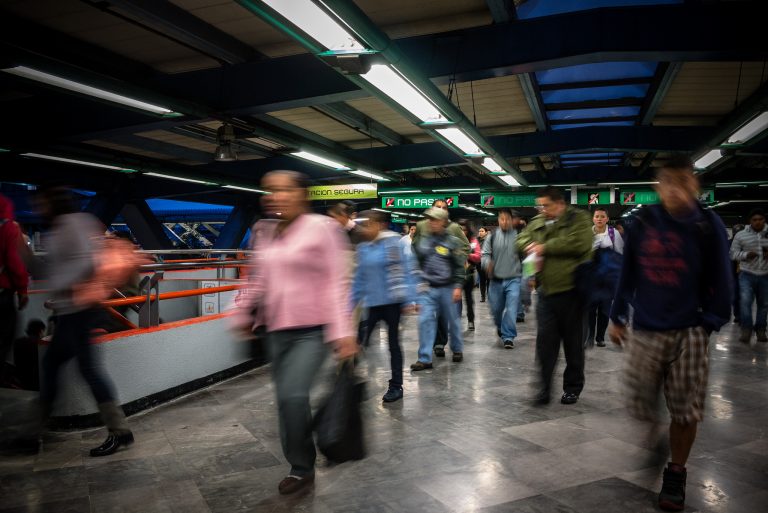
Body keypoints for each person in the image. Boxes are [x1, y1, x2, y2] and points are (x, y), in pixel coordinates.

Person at [608, 156, 732, 512]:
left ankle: (676, 472)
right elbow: (627, 270)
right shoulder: (643, 221)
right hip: (646, 328)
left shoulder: (707, 225)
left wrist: (710, 321)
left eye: (682, 181)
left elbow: (723, 277)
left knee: (685, 409)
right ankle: (653, 437)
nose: (674, 189)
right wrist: (616, 315)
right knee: (638, 401)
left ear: (694, 184)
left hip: (690, 331)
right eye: (667, 181)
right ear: (657, 186)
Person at [232, 170, 357, 495]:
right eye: (270, 190)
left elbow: (336, 281)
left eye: (284, 190)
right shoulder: (266, 230)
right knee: (287, 401)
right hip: (275, 330)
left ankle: (302, 467)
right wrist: (243, 312)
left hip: (311, 331)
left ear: (303, 194)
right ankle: (302, 460)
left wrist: (343, 331)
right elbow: (258, 278)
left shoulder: (323, 228)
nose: (276, 196)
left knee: (292, 395)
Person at [24, 186, 135, 457]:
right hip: (71, 312)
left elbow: (84, 263)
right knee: (55, 366)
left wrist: (66, 285)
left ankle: (119, 432)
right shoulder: (72, 224)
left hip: (81, 310)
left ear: (51, 202)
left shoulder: (70, 226)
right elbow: (53, 269)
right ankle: (33, 433)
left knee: (87, 370)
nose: (38, 208)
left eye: (40, 202)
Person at [517, 186, 592, 405]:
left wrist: (544, 247)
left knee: (573, 344)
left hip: (573, 293)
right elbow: (520, 239)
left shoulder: (579, 218)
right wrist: (530, 245)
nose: (542, 209)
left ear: (560, 203)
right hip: (546, 293)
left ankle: (572, 387)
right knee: (545, 344)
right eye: (540, 205)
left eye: (546, 205)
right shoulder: (538, 221)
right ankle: (544, 388)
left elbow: (580, 243)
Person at [351, 210, 417, 402]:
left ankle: (396, 386)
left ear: (380, 225)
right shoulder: (363, 248)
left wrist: (410, 300)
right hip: (372, 304)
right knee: (359, 342)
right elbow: (359, 279)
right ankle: (350, 384)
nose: (364, 228)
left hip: (393, 304)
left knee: (393, 345)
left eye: (368, 224)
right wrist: (349, 306)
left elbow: (406, 270)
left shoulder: (393, 243)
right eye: (363, 225)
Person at [410, 206, 465, 371]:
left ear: (442, 222)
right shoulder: (424, 240)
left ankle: (457, 349)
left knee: (453, 321)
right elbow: (417, 262)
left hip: (447, 288)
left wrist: (457, 286)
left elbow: (459, 266)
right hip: (428, 288)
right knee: (424, 320)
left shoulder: (452, 241)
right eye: (429, 219)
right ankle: (425, 358)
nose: (430, 222)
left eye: (434, 219)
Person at [481, 209, 523, 349]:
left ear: (511, 220)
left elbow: (527, 258)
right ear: (498, 220)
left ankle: (508, 336)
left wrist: (529, 276)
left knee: (511, 309)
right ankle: (500, 326)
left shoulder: (519, 236)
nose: (504, 222)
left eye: (507, 219)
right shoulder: (491, 237)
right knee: (496, 310)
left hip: (514, 279)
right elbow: (485, 254)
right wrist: (487, 264)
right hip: (496, 280)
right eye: (501, 219)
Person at [0, 194, 29, 384]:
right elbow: (13, 261)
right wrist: (22, 289)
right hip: (2, 294)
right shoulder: (7, 228)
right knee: (3, 337)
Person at [586, 207, 624, 347]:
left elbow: (620, 255)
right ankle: (589, 336)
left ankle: (600, 337)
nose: (600, 219)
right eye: (597, 216)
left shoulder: (614, 234)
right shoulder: (587, 234)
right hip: (592, 279)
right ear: (593, 218)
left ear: (607, 219)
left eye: (602, 216)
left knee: (604, 310)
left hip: (608, 280)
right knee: (590, 309)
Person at [730, 208, 767, 343]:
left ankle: (761, 329)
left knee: (764, 304)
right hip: (746, 274)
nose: (758, 222)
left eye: (760, 219)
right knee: (745, 303)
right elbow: (732, 254)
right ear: (750, 221)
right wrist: (746, 255)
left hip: (765, 274)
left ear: (765, 220)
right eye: (754, 220)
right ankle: (746, 329)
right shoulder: (740, 235)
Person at [457, 219, 481, 331]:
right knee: (456, 300)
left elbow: (478, 256)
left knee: (469, 299)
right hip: (456, 275)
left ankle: (471, 321)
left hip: (469, 274)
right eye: (460, 229)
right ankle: (456, 321)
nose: (462, 232)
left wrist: (466, 254)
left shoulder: (473, 240)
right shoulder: (454, 240)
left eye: (464, 229)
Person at [13, 319, 44, 391]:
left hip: (20, 380)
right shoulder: (40, 344)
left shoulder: (18, 342)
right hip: (35, 383)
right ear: (40, 331)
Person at [729, 223, 746, 324]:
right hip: (733, 274)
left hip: (746, 273)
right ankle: (738, 315)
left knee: (745, 297)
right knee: (735, 297)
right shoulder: (728, 244)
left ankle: (743, 316)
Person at [476, 227, 490, 302]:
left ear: (486, 232)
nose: (480, 232)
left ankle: (490, 296)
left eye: (482, 231)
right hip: (479, 263)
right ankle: (483, 297)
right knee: (482, 280)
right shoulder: (476, 240)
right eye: (479, 231)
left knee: (489, 280)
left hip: (488, 262)